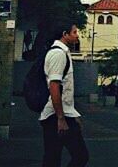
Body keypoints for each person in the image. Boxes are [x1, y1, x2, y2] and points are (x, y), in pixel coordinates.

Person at [40, 22, 89, 167]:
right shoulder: (58, 54)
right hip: (56, 116)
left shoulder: (62, 53)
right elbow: (54, 86)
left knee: (52, 159)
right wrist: (61, 118)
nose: (77, 36)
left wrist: (73, 114)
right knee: (80, 156)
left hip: (61, 114)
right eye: (74, 32)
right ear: (64, 34)